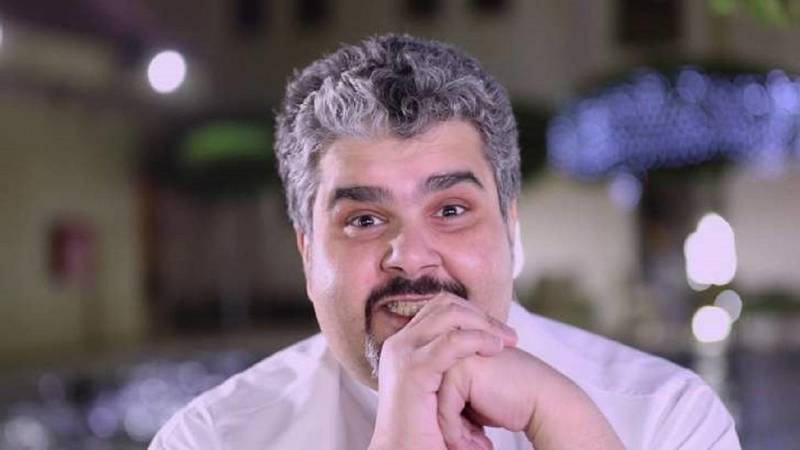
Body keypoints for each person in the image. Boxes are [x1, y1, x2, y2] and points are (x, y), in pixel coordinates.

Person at [150, 34, 740, 449]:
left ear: (510, 229)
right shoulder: (208, 440)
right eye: (364, 220)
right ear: (308, 253)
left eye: (451, 210)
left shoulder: (665, 418)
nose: (410, 256)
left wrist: (560, 419)